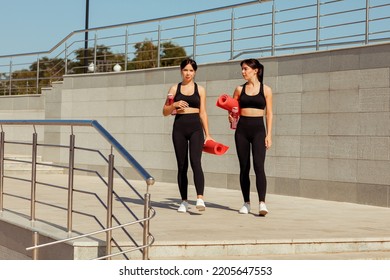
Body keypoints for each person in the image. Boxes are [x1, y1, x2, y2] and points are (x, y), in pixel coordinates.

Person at [163, 58, 213, 213]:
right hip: (179, 128)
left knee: (196, 162)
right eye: (185, 70)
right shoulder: (174, 88)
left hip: (196, 128)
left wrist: (208, 134)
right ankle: (183, 201)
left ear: (195, 72)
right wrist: (174, 105)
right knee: (182, 165)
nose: (188, 73)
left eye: (191, 70)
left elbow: (203, 112)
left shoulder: (200, 89)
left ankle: (200, 198)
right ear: (181, 71)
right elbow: (165, 112)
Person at [229, 58, 273, 216]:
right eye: (242, 69)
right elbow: (233, 109)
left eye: (246, 69)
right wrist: (231, 116)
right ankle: (246, 202)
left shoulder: (266, 90)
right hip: (242, 130)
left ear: (256, 70)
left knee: (259, 166)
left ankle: (262, 203)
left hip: (259, 131)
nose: (243, 72)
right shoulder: (239, 89)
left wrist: (269, 134)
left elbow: (269, 113)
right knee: (244, 167)